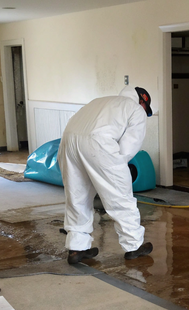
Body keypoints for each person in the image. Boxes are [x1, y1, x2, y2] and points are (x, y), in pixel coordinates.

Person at [58, 86, 154, 264]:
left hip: (68, 141)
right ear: (142, 101)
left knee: (77, 196)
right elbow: (128, 148)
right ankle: (134, 245)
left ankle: (77, 247)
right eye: (145, 107)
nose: (143, 110)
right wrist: (116, 169)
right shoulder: (135, 109)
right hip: (98, 143)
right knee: (120, 197)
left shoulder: (100, 101)